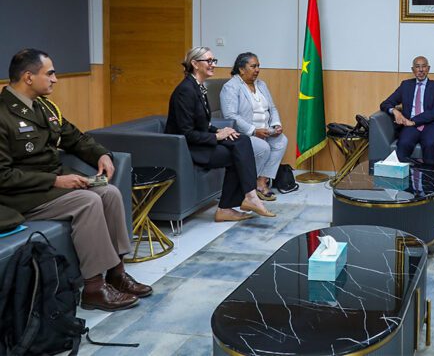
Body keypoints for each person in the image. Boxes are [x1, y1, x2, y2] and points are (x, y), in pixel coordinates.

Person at [0, 49, 152, 311]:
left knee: (110, 193)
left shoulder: (45, 107)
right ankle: (93, 288)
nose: (55, 79)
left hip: (51, 186)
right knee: (87, 201)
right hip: (21, 195)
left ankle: (116, 273)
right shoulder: (3, 115)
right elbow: (3, 176)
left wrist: (102, 155)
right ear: (28, 77)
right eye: (49, 73)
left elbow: (76, 138)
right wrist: (55, 181)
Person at [165, 46, 274, 221]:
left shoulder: (198, 87)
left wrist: (219, 130)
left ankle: (249, 196)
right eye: (209, 61)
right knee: (236, 154)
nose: (213, 64)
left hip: (200, 140)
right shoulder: (185, 91)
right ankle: (231, 205)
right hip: (187, 148)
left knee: (242, 140)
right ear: (195, 64)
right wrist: (216, 136)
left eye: (213, 60)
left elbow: (202, 123)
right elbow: (186, 133)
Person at [220, 52, 288, 201]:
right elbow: (230, 116)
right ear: (241, 69)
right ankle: (248, 186)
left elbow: (272, 108)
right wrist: (253, 131)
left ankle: (261, 181)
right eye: (253, 66)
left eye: (258, 66)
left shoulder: (261, 85)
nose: (257, 69)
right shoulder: (230, 87)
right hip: (244, 134)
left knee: (281, 141)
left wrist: (276, 125)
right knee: (263, 148)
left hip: (265, 130)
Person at [380, 56, 434, 163]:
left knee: (430, 144)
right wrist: (395, 111)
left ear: (428, 69)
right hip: (410, 125)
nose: (421, 70)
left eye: (424, 66)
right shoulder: (406, 85)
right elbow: (386, 103)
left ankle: (428, 174)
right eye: (417, 67)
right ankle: (403, 173)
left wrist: (414, 121)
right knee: (403, 143)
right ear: (413, 69)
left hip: (431, 125)